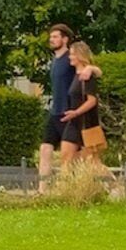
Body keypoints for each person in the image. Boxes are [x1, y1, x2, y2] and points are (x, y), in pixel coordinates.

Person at [38, 25, 80, 171]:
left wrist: (90, 70)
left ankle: (80, 180)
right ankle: (42, 185)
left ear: (65, 39)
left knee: (72, 155)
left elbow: (88, 67)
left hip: (68, 112)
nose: (51, 40)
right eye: (51, 37)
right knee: (45, 149)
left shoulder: (71, 58)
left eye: (55, 37)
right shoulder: (54, 60)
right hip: (55, 111)